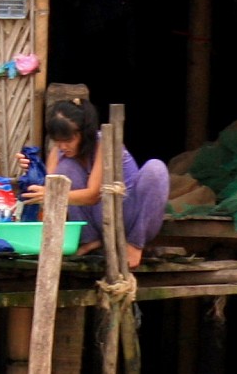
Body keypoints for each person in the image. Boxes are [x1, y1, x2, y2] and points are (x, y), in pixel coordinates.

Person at [17, 97, 170, 267]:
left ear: (85, 134)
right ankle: (90, 240)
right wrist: (32, 169)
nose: (62, 146)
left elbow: (93, 195)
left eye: (68, 140)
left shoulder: (103, 143)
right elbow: (48, 191)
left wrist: (50, 193)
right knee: (65, 170)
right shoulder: (58, 153)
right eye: (58, 141)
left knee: (156, 168)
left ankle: (134, 244)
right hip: (97, 222)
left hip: (127, 216)